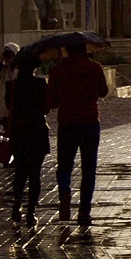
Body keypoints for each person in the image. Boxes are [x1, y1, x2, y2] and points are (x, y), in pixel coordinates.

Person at [47, 41, 109, 226]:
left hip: (67, 122)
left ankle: (65, 190)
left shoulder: (58, 70)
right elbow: (103, 92)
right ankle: (84, 211)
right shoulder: (94, 68)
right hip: (90, 122)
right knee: (89, 169)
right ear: (85, 50)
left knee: (64, 165)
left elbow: (52, 100)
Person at [7, 59, 50, 226]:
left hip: (19, 131)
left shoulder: (11, 86)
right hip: (37, 130)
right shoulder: (40, 83)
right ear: (35, 67)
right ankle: (31, 211)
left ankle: (17, 203)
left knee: (20, 171)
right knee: (34, 174)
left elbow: (9, 107)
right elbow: (46, 108)